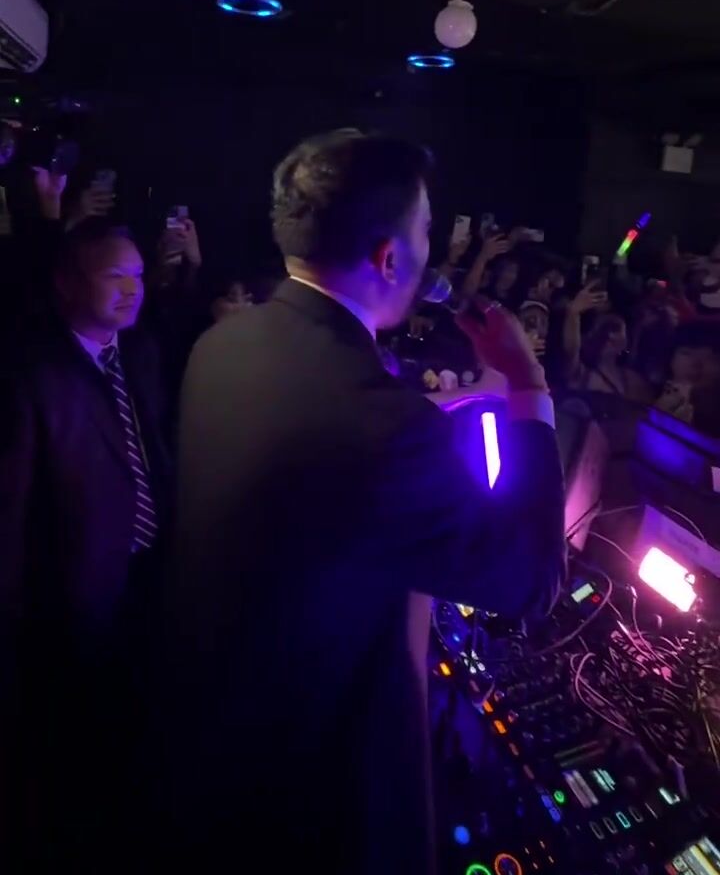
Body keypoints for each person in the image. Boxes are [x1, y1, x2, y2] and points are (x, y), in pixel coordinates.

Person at [162, 129, 565, 875]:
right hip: (316, 786)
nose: (430, 250)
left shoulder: (222, 345)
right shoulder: (385, 427)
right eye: (425, 229)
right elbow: (531, 579)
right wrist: (527, 385)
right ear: (389, 258)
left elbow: (317, 473)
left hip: (215, 739)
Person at [0, 220, 171, 868]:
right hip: (72, 604)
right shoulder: (31, 374)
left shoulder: (141, 351)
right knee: (75, 762)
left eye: (138, 275)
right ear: (67, 283)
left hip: (150, 579)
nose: (132, 290)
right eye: (114, 276)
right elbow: (12, 510)